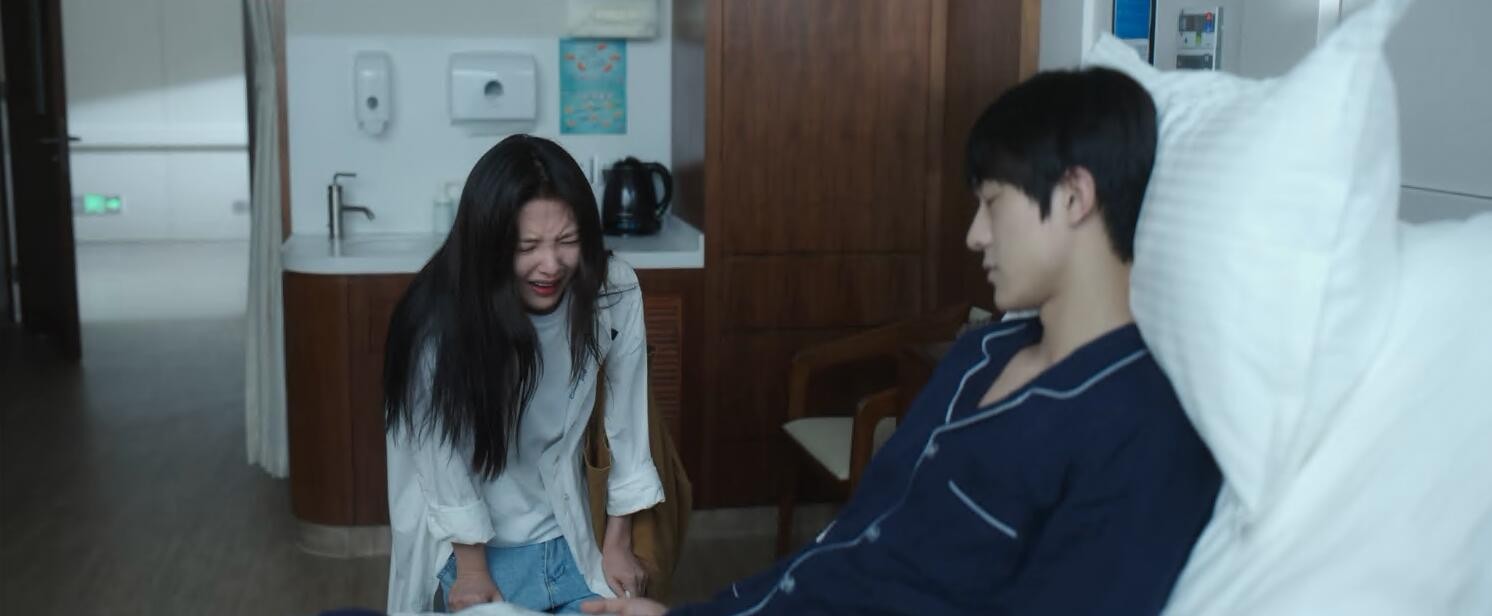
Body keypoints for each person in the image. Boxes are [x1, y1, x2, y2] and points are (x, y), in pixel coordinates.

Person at [583, 67, 1221, 616]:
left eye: (993, 203)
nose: (975, 235)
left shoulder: (1142, 427)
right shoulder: (979, 357)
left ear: (1074, 196)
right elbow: (852, 548)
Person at [382, 135, 664, 614]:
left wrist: (618, 542)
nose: (550, 265)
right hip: (478, 555)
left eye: (568, 241)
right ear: (488, 246)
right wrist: (473, 570)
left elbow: (629, 425)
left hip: (575, 542)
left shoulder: (612, 291)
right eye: (526, 246)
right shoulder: (437, 321)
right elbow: (439, 457)